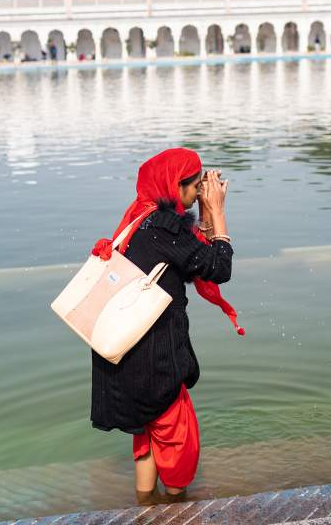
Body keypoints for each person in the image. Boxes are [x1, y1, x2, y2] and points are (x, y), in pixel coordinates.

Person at [89, 147, 241, 506]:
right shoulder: (165, 228)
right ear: (176, 186)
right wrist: (218, 213)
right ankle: (175, 509)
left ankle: (145, 509)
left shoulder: (141, 218)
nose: (198, 191)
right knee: (177, 443)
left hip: (123, 355)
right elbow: (219, 268)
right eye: (194, 184)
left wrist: (202, 214)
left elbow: (188, 257)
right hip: (154, 362)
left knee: (145, 439)